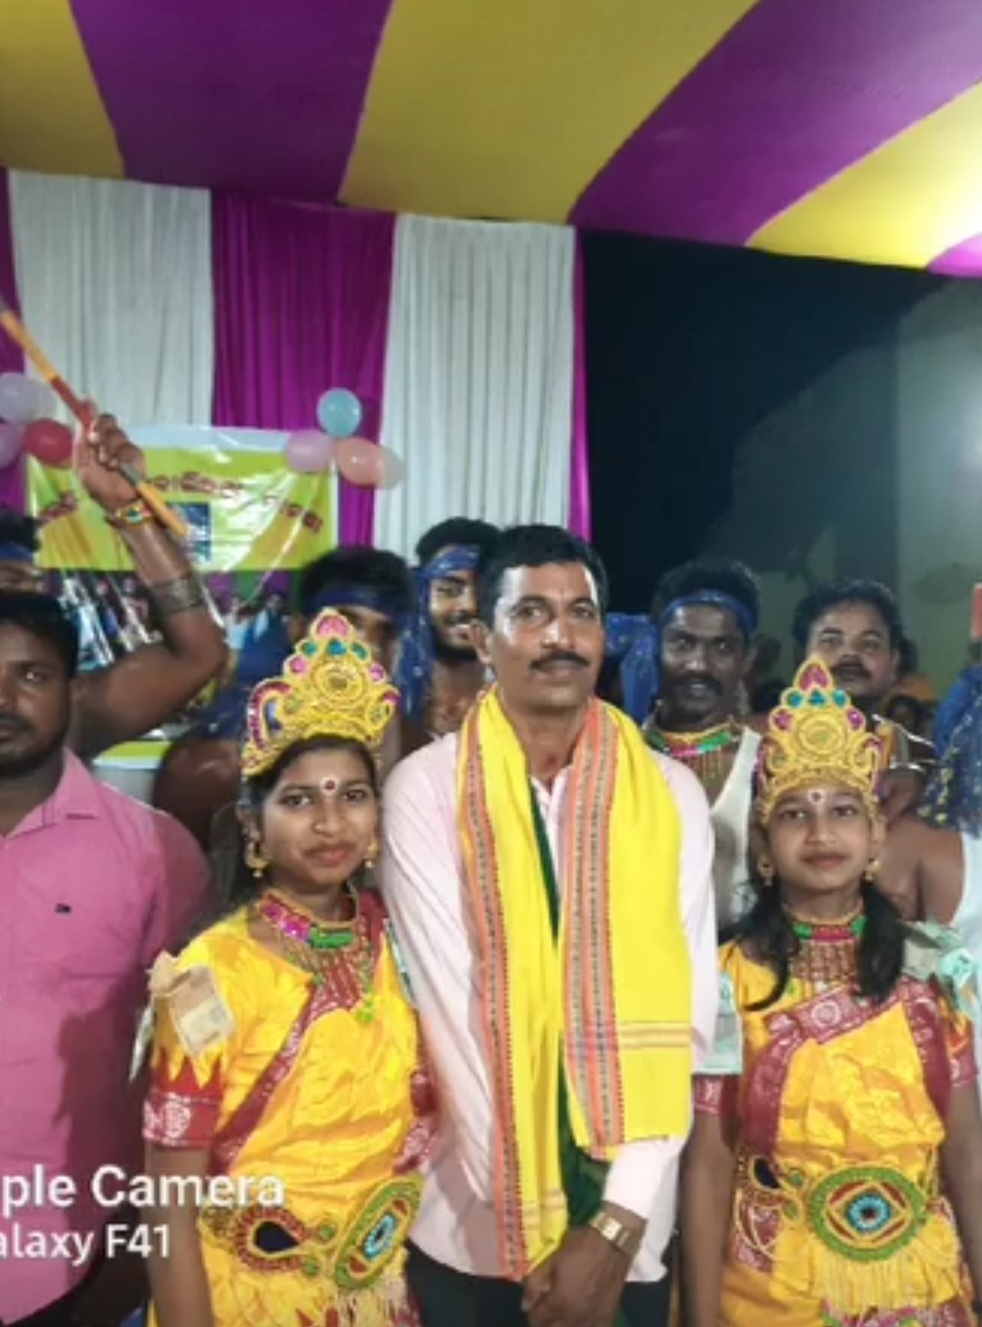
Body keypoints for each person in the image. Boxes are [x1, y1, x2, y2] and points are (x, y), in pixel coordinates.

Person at [382, 524, 717, 1327]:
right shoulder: (426, 789)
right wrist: (540, 1228)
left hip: (632, 1230)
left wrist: (615, 1221)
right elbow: (454, 1017)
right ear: (482, 637)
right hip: (475, 1226)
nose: (560, 636)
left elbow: (688, 1016)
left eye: (581, 613)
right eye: (530, 612)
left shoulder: (668, 795)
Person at [142, 608, 435, 1327]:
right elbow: (167, 1203)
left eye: (353, 795)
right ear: (254, 823)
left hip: (377, 1294)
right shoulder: (210, 973)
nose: (331, 824)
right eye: (300, 800)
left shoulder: (402, 939)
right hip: (245, 1298)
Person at [680, 657, 982, 1327]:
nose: (821, 832)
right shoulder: (726, 979)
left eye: (844, 810)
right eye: (795, 813)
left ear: (876, 837)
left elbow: (965, 1146)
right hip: (772, 1291)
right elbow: (710, 1161)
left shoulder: (933, 970)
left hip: (920, 1286)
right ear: (763, 845)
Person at [0, 591, 210, 1327]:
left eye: (31, 676)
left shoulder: (152, 850)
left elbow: (197, 1045)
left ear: (74, 690)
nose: (4, 699)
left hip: (73, 1238)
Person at [152, 546, 416, 849]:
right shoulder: (212, 764)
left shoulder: (414, 749)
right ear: (298, 630)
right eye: (345, 624)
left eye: (385, 634)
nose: (367, 647)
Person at [0, 412, 228, 760]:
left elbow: (198, 655)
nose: (3, 699)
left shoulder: (70, 712)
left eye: (22, 585)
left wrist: (128, 510)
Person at [642, 558, 764, 933]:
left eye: (722, 648)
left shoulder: (768, 762)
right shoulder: (616, 756)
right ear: (655, 647)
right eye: (682, 643)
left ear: (747, 658)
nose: (699, 665)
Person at [792, 578, 935, 817]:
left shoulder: (918, 756)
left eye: (869, 644)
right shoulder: (754, 743)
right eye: (831, 641)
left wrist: (926, 776)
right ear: (800, 657)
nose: (850, 655)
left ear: (893, 663)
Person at [396, 517, 500, 737]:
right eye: (449, 590)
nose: (469, 605)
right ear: (421, 594)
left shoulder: (519, 709)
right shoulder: (387, 704)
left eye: (483, 591)